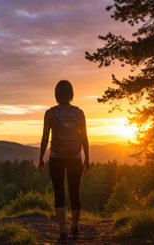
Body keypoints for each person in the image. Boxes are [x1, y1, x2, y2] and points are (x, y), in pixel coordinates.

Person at [39, 80, 90, 242]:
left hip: (56, 157)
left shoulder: (50, 113)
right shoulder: (79, 112)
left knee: (59, 192)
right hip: (75, 157)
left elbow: (45, 137)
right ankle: (74, 226)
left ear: (56, 94)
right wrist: (87, 157)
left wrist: (41, 158)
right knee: (75, 192)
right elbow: (84, 137)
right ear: (71, 93)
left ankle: (62, 231)